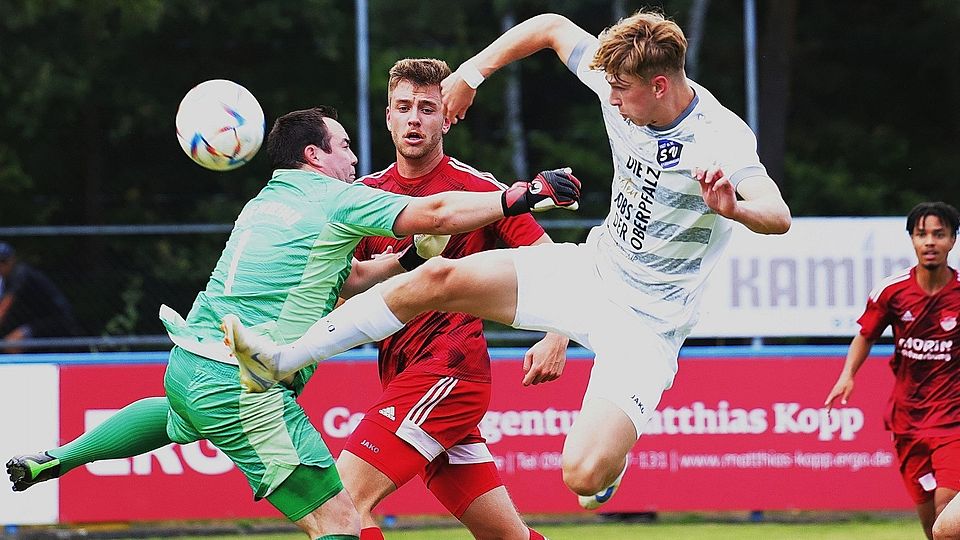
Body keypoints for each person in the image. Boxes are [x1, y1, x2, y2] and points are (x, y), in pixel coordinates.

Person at [224, 9, 791, 512]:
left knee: (582, 474)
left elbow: (777, 213)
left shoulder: (722, 138)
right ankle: (279, 360)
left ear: (660, 85)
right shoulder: (617, 81)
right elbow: (547, 27)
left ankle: (604, 475)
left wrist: (733, 208)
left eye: (622, 91)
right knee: (438, 275)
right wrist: (470, 75)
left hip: (651, 323)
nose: (611, 101)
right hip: (592, 272)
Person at [6, 106, 580, 539]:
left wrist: (406, 260)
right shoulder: (337, 199)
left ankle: (60, 458)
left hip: (189, 365)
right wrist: (521, 195)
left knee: (174, 417)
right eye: (345, 148)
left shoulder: (264, 204)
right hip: (244, 386)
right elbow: (433, 210)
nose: (355, 160)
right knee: (343, 519)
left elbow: (349, 280)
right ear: (314, 156)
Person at [337, 58, 563, 540]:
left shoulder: (477, 190)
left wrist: (557, 335)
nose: (414, 118)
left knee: (342, 505)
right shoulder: (366, 197)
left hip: (448, 370)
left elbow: (555, 264)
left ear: (446, 117)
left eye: (426, 107)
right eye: (404, 107)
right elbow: (342, 287)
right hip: (403, 375)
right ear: (388, 117)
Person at [825, 202, 960, 540]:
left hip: (953, 422)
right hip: (908, 422)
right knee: (932, 526)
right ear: (912, 240)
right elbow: (866, 334)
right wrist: (847, 375)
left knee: (948, 517)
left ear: (952, 241)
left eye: (939, 234)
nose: (930, 242)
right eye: (922, 234)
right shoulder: (892, 291)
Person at [0, 241, 80, 353]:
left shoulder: (20, 274)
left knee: (12, 343)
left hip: (56, 320)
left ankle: (23, 370)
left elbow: (4, 307)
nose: (2, 266)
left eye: (3, 261)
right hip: (35, 321)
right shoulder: (5, 279)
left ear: (12, 260)